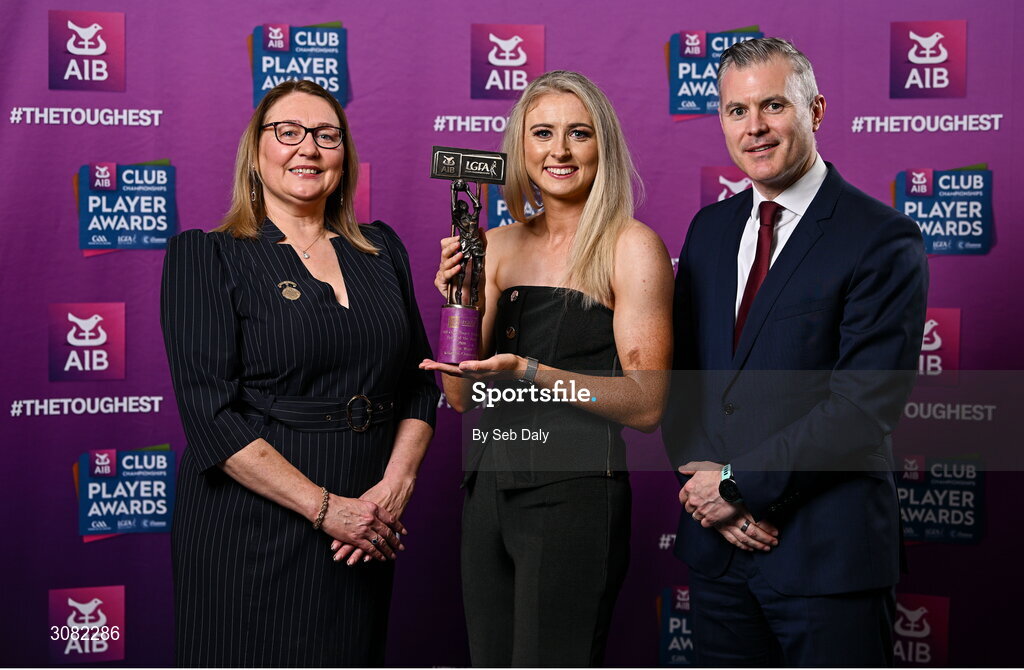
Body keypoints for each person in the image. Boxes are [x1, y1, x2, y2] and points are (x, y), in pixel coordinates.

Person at [663, 38, 928, 665]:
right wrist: (712, 498)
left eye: (773, 105)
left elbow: (862, 408)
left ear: (817, 110)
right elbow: (681, 381)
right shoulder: (710, 230)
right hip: (719, 556)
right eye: (736, 111)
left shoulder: (882, 238)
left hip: (828, 560)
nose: (754, 128)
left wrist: (736, 486)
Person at [160, 80, 439, 667]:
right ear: (255, 152)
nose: (307, 148)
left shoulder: (381, 250)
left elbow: (418, 382)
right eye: (287, 132)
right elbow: (212, 418)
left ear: (345, 154)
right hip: (251, 526)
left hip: (365, 526)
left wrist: (393, 488)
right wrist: (323, 508)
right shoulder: (206, 255)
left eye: (326, 134)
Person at [421, 70, 674, 666]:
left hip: (576, 495)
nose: (558, 151)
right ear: (521, 149)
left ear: (601, 146)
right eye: (542, 133)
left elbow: (647, 404)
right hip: (488, 489)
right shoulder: (496, 245)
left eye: (578, 134)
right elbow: (459, 397)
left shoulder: (630, 246)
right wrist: (458, 300)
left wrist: (530, 373)